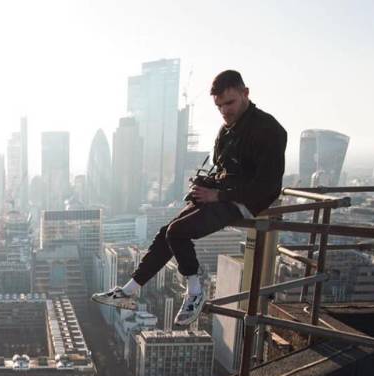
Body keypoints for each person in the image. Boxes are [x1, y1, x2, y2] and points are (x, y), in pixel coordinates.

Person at [92, 69, 288, 326]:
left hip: (244, 203)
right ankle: (128, 290)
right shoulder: (227, 130)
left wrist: (218, 194)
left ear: (245, 94)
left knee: (177, 232)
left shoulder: (269, 130)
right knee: (166, 232)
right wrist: (206, 184)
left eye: (230, 103)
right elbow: (225, 169)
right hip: (221, 196)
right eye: (219, 106)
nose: (225, 111)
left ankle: (196, 292)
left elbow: (267, 186)